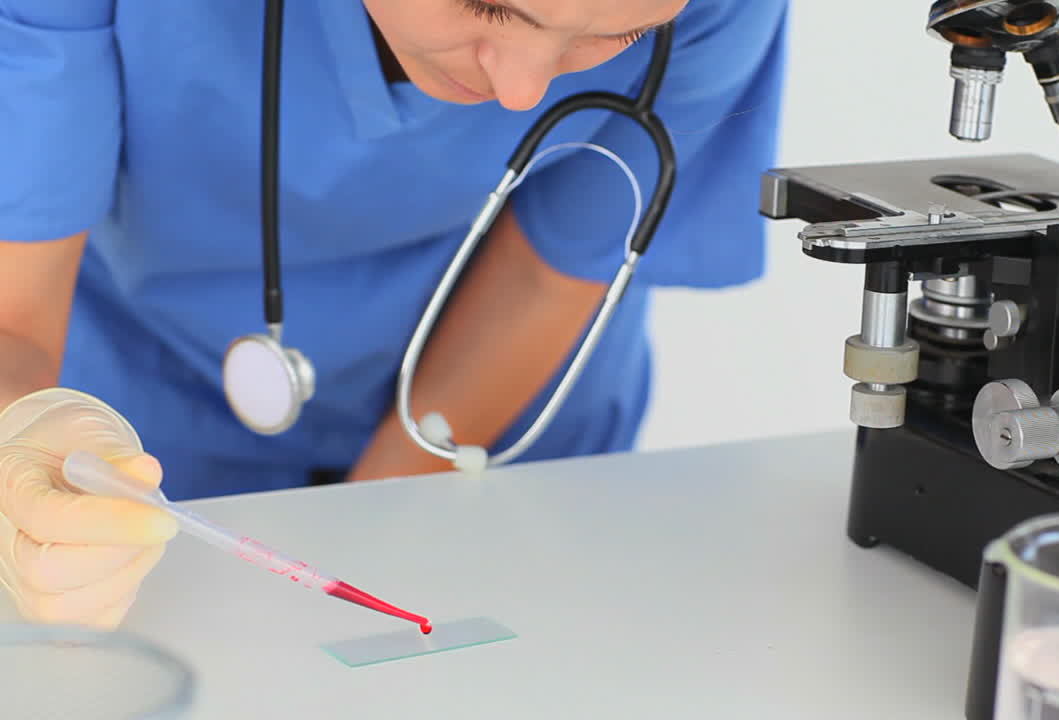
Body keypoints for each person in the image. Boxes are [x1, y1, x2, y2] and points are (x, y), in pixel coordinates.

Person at [0, 0, 787, 628]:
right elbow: (13, 323)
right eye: (486, 6)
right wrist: (25, 435)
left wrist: (377, 535)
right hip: (146, 436)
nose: (521, 87)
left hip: (502, 431)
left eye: (622, 32)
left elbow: (550, 278)